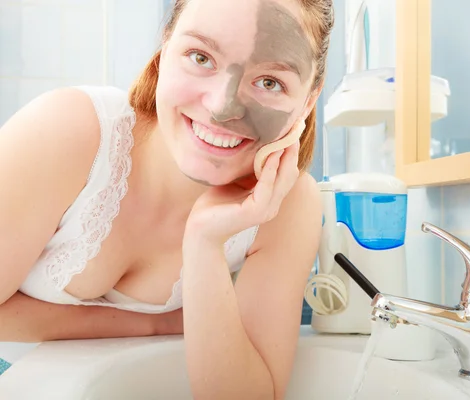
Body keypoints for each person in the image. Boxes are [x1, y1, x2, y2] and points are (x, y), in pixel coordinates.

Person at [0, 0, 334, 398]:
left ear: (308, 100)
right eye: (200, 57)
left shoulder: (289, 208)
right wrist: (152, 325)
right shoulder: (67, 129)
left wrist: (205, 242)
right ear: (165, 48)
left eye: (269, 82)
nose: (222, 106)